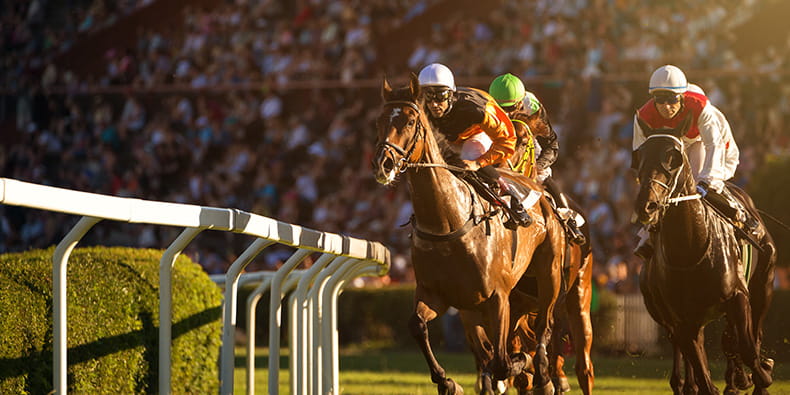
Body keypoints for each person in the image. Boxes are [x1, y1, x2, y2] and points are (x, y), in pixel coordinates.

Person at [632, 65, 758, 259]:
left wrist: (706, 182)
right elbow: (640, 155)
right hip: (677, 145)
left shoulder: (701, 107)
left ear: (682, 96)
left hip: (711, 145)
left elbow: (713, 145)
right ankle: (648, 233)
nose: (666, 106)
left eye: (672, 99)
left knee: (701, 181)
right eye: (660, 99)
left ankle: (740, 215)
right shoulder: (643, 116)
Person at [417, 63, 531, 229]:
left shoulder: (475, 108)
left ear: (451, 94)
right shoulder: (421, 107)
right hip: (449, 139)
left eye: (440, 96)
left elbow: (507, 140)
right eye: (429, 96)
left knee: (468, 155)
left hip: (479, 134)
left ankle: (512, 197)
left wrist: (478, 163)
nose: (434, 104)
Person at [488, 73, 586, 244]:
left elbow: (552, 144)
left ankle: (568, 220)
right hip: (498, 144)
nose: (507, 113)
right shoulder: (486, 106)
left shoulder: (532, 107)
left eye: (511, 108)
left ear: (521, 102)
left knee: (543, 175)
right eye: (502, 108)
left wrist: (538, 165)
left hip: (526, 141)